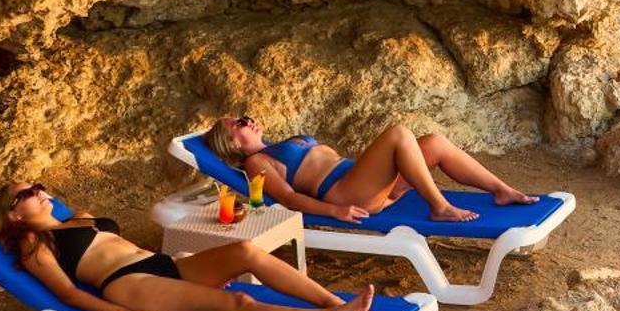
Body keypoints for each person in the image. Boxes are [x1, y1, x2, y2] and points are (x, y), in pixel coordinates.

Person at [0, 181, 372, 311]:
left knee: (245, 250)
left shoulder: (78, 218)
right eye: (26, 193)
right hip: (129, 286)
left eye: (37, 185)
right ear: (14, 213)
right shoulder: (34, 245)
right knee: (237, 301)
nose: (38, 191)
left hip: (161, 265)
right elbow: (68, 295)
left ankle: (334, 301)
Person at [203, 116, 537, 225]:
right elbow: (289, 199)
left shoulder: (277, 145)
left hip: (367, 182)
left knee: (433, 142)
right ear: (232, 144)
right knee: (398, 134)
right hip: (347, 192)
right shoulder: (256, 163)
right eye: (240, 123)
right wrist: (334, 209)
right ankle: (439, 207)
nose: (250, 120)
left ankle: (501, 189)